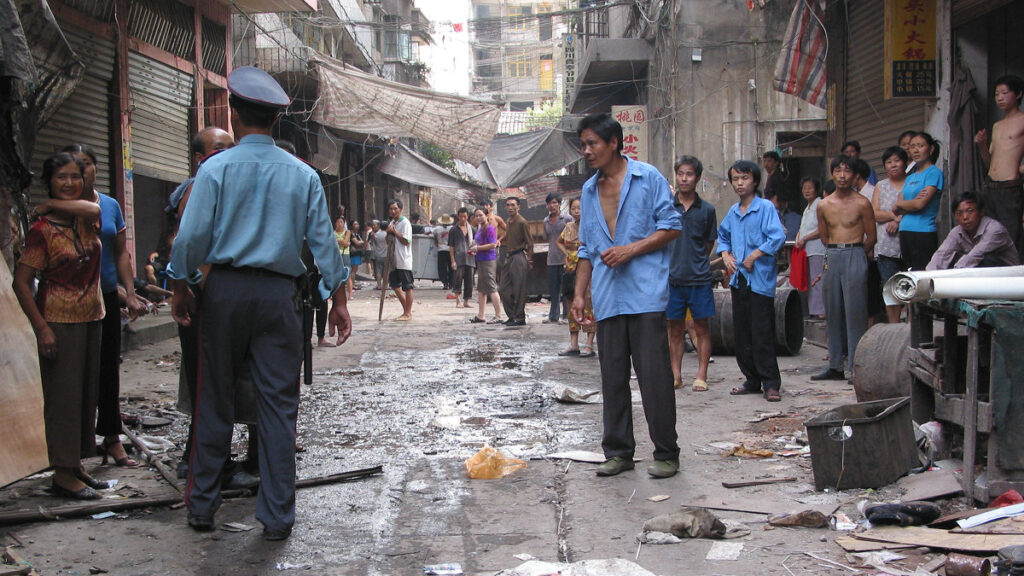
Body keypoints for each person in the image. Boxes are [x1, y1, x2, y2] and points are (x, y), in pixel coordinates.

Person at [167, 66, 350, 540]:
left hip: (224, 293)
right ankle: (276, 517)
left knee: (215, 400)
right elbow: (325, 246)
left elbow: (189, 239)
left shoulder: (214, 169)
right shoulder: (303, 175)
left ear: (235, 112)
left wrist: (181, 286)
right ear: (275, 119)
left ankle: (202, 507)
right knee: (278, 406)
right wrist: (339, 301)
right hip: (278, 298)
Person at [572, 113, 682, 478]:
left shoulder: (648, 177)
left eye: (593, 143)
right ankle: (619, 452)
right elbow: (587, 247)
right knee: (612, 378)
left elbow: (671, 227)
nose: (586, 151)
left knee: (654, 378)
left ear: (614, 142)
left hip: (645, 295)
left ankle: (666, 452)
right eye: (583, 145)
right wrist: (578, 295)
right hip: (607, 298)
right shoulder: (588, 191)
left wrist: (629, 250)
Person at [13, 153, 105, 499]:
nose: (69, 183)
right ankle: (62, 475)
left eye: (74, 177)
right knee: (63, 399)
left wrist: (51, 202)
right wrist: (41, 328)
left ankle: (75, 464)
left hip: (91, 316)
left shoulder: (85, 219)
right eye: (60, 178)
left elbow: (96, 209)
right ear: (49, 181)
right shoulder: (42, 231)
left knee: (85, 397)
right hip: (58, 320)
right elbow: (21, 283)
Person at [57, 144, 147, 469]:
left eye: (86, 165)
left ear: (95, 168)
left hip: (105, 296)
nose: (81, 172)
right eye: (72, 167)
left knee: (108, 371)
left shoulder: (109, 205)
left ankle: (112, 438)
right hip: (68, 298)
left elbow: (120, 252)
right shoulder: (60, 209)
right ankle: (74, 449)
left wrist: (130, 292)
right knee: (72, 374)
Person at [720, 161, 787, 402]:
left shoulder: (765, 208)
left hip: (760, 280)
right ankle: (752, 379)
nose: (739, 183)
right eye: (735, 179)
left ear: (755, 181)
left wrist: (755, 255)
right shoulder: (733, 212)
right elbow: (723, 235)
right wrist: (726, 255)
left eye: (744, 178)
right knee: (742, 333)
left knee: (762, 332)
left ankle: (771, 383)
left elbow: (778, 237)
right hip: (739, 281)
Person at [812, 155, 877, 381]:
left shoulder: (862, 203)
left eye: (847, 171)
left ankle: (855, 367)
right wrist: (835, 251)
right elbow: (823, 235)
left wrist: (857, 253)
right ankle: (835, 365)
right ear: (832, 173)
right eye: (838, 170)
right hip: (832, 253)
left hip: (855, 251)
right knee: (833, 310)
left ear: (855, 176)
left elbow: (872, 236)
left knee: (855, 311)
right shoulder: (823, 204)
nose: (842, 175)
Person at [666, 155, 717, 392]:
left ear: (697, 178)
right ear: (675, 176)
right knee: (674, 328)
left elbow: (708, 244)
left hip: (699, 278)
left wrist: (695, 261)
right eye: (680, 174)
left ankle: (701, 374)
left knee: (701, 327)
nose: (684, 178)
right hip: (672, 278)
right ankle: (675, 374)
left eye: (689, 174)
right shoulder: (667, 207)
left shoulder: (707, 210)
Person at [974, 75, 1024, 261]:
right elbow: (989, 162)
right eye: (996, 94)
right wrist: (981, 145)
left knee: (1011, 237)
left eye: (1005, 93)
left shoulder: (1022, 120)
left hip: (1010, 188)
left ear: (1018, 94)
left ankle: (1016, 281)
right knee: (990, 237)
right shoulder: (997, 126)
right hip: (991, 186)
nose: (1000, 98)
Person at [927, 192, 1021, 270]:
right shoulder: (957, 232)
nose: (965, 217)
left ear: (981, 212)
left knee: (985, 260)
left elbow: (976, 255)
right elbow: (942, 254)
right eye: (959, 213)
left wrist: (954, 275)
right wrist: (927, 278)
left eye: (970, 211)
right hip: (974, 270)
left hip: (1008, 275)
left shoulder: (994, 229)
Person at [896, 132, 944, 271]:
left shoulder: (933, 173)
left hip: (923, 232)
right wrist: (910, 203)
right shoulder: (910, 177)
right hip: (905, 230)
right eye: (912, 147)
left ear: (931, 148)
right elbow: (896, 208)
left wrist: (905, 204)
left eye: (920, 146)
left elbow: (920, 204)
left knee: (922, 275)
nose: (915, 150)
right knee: (908, 275)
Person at [556, 197, 596, 356]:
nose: (577, 211)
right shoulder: (568, 226)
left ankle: (589, 344)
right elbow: (559, 242)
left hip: (587, 271)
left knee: (588, 305)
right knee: (571, 303)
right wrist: (568, 254)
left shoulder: (591, 226)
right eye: (574, 208)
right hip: (570, 271)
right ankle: (574, 344)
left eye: (580, 208)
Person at [873, 146, 909, 323]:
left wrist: (897, 221)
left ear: (905, 163)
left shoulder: (912, 182)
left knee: (912, 285)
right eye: (888, 162)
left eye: (897, 161)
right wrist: (893, 216)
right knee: (889, 286)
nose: (893, 165)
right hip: (886, 246)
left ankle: (912, 325)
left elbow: (918, 208)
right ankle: (894, 326)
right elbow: (874, 213)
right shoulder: (881, 186)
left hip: (910, 243)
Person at [499, 197, 533, 327]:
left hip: (519, 256)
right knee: (503, 288)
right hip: (509, 256)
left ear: (518, 206)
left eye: (513, 205)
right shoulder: (508, 221)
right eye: (508, 205)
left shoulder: (522, 222)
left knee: (519, 289)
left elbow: (530, 243)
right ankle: (512, 315)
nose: (510, 208)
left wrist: (529, 260)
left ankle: (519, 317)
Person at [795, 177, 825, 319]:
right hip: (806, 250)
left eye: (810, 187)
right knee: (808, 280)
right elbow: (803, 228)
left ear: (816, 189)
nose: (806, 190)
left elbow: (821, 229)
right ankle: (814, 310)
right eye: (804, 188)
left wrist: (805, 238)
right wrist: (798, 238)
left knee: (817, 280)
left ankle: (820, 312)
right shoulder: (807, 208)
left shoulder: (820, 204)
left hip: (817, 248)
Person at [470, 208, 504, 323]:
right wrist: (474, 245)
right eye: (476, 216)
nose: (478, 218)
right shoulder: (480, 229)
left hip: (488, 260)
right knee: (481, 289)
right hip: (480, 259)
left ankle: (499, 315)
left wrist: (477, 248)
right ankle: (481, 315)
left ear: (486, 215)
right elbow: (480, 242)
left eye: (481, 215)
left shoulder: (490, 228)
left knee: (491, 287)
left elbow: (493, 244)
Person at [543, 194, 571, 323]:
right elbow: (546, 237)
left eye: (554, 202)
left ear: (559, 204)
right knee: (553, 289)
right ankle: (553, 316)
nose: (552, 205)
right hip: (552, 258)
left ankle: (566, 315)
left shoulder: (567, 219)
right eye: (549, 203)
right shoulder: (545, 221)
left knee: (565, 288)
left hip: (565, 258)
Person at [385, 199, 414, 321]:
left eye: (395, 208)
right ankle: (406, 309)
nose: (393, 211)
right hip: (394, 260)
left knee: (407, 287)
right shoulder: (392, 222)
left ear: (400, 209)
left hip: (403, 259)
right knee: (395, 285)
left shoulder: (405, 223)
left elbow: (406, 241)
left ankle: (407, 313)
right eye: (391, 209)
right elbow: (388, 241)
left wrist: (395, 231)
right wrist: (388, 233)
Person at [448, 208, 475, 309]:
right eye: (460, 216)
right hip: (458, 258)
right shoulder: (454, 230)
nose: (463, 219)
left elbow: (476, 242)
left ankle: (466, 300)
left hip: (470, 258)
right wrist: (452, 260)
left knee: (469, 281)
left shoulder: (472, 229)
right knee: (457, 279)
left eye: (464, 216)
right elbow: (451, 246)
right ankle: (457, 299)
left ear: (467, 217)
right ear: (458, 217)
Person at [433, 214, 453, 291]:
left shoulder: (437, 229)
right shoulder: (452, 229)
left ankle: (445, 283)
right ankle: (451, 283)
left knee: (442, 268)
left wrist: (438, 244)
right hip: (450, 250)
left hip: (441, 249)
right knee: (451, 267)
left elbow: (435, 239)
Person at [334, 217, 352, 301]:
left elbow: (345, 241)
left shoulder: (347, 232)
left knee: (347, 274)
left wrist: (341, 242)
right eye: (338, 222)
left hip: (345, 254)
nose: (339, 224)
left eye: (341, 222)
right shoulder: (333, 232)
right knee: (336, 274)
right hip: (336, 254)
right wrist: (344, 243)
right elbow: (344, 242)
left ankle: (350, 295)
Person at [368, 219, 387, 290]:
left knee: (378, 270)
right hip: (386, 255)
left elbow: (372, 243)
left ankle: (379, 285)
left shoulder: (375, 234)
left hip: (378, 254)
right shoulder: (387, 234)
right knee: (386, 271)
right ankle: (385, 285)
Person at [349, 219, 366, 295]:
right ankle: (351, 285)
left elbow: (361, 242)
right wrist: (362, 242)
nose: (357, 226)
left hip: (357, 253)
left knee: (355, 270)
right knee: (353, 270)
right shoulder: (351, 234)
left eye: (357, 224)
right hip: (353, 253)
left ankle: (353, 284)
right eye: (355, 224)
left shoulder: (357, 234)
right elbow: (357, 243)